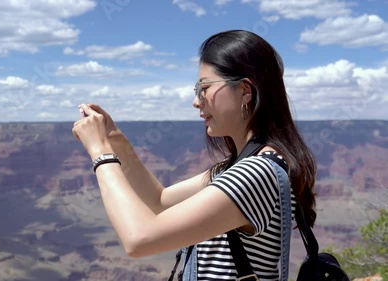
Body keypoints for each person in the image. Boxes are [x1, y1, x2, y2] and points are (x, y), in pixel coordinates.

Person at [72, 29, 316, 281]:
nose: (196, 101)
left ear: (245, 91)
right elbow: (159, 200)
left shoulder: (255, 173)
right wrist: (115, 140)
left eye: (204, 87)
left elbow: (139, 239)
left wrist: (100, 152)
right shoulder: (236, 168)